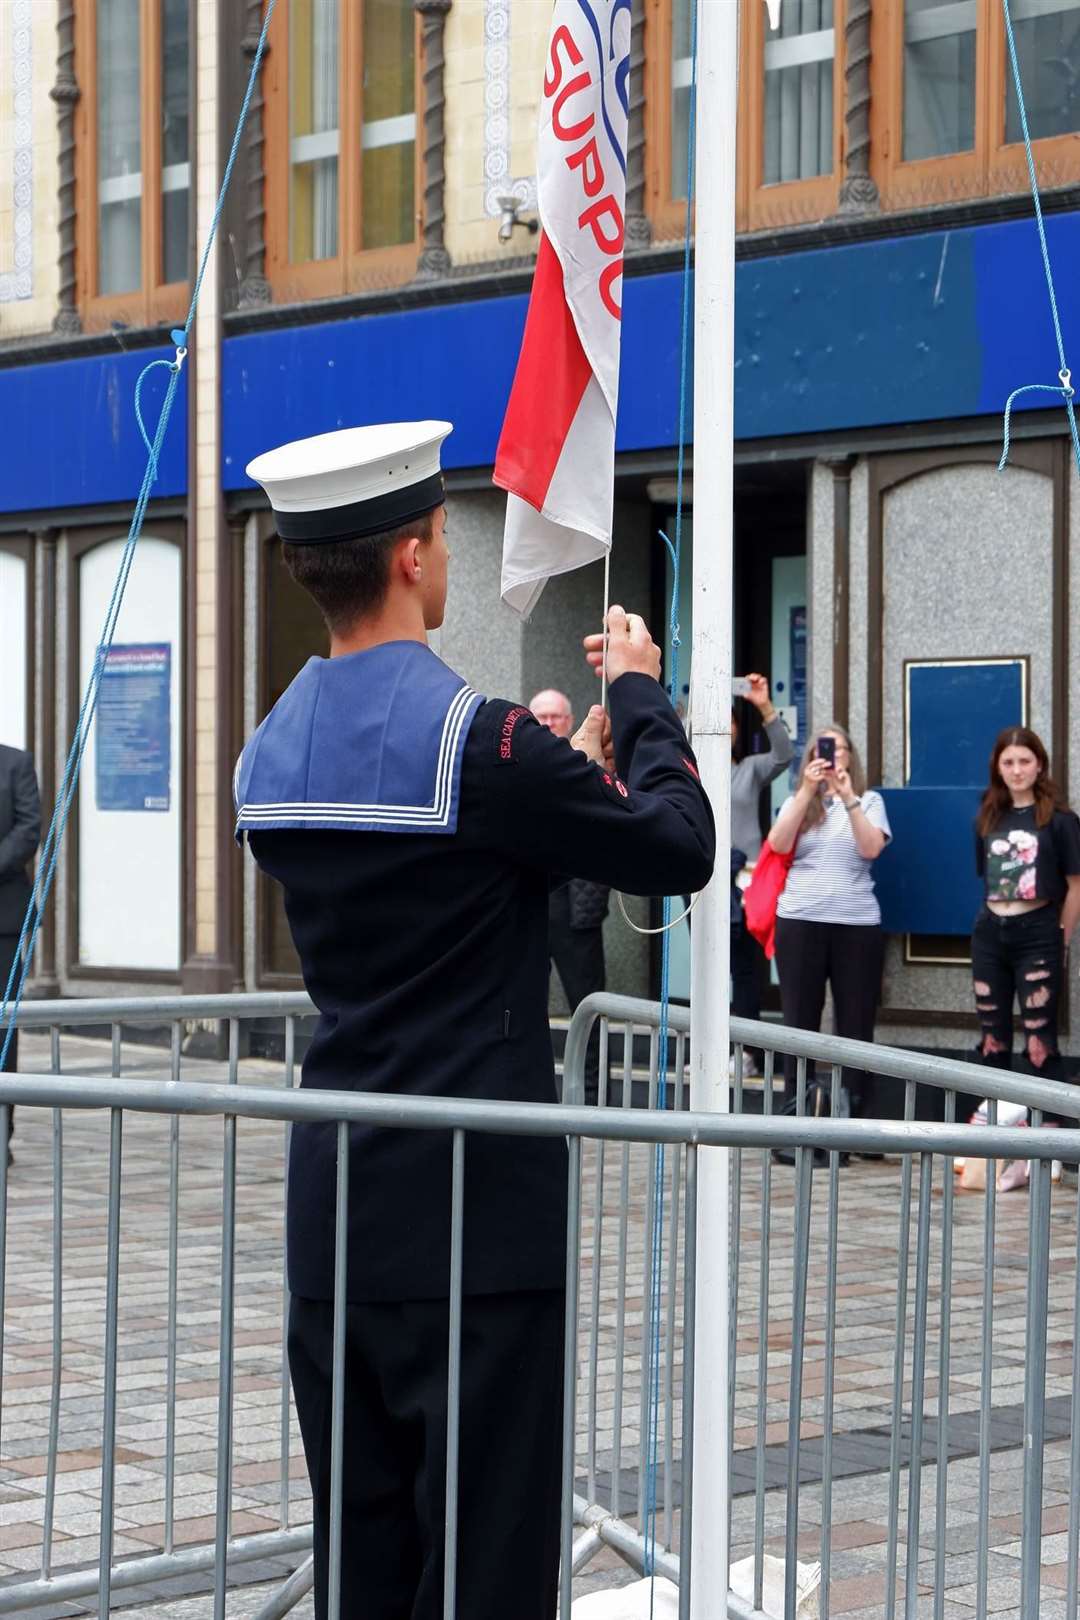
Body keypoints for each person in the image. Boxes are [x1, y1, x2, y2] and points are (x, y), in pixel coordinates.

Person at [235, 420, 715, 1620]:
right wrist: (645, 695)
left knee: (368, 1567)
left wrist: (564, 787)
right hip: (476, 1223)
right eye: (444, 538)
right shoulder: (489, 742)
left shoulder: (268, 753)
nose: (449, 557)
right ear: (409, 558)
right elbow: (679, 846)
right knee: (489, 1572)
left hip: (338, 1214)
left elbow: (429, 893)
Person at [767, 724, 891, 1138]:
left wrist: (848, 796)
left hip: (856, 924)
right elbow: (779, 844)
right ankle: (795, 1118)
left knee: (856, 1023)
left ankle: (857, 1123)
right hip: (800, 921)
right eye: (825, 749)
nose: (833, 755)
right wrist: (806, 791)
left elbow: (871, 849)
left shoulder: (870, 800)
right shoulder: (799, 800)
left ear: (850, 757)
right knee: (799, 1021)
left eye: (839, 749)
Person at [971, 726, 1080, 1189]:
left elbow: (1076, 885)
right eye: (1008, 762)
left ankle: (1048, 1143)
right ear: (999, 766)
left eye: (1024, 761)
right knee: (992, 1039)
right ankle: (996, 1143)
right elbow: (986, 876)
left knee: (1039, 1039)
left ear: (1040, 765)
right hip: (991, 931)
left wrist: (1062, 937)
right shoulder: (988, 814)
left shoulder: (1058, 818)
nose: (1016, 770)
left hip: (1040, 930)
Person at [529, 688, 610, 1103]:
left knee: (588, 1003)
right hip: (529, 905)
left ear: (570, 718)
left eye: (554, 717)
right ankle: (533, 1090)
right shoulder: (522, 764)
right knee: (526, 1003)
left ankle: (593, 1095)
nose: (546, 724)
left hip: (578, 907)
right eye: (539, 717)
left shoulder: (585, 760)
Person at [730, 676, 792, 1074]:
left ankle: (746, 1052)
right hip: (703, 877)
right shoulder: (686, 769)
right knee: (710, 963)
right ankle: (709, 1048)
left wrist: (764, 707)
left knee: (747, 966)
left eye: (730, 721)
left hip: (747, 877)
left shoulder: (749, 769)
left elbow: (785, 755)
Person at [0, 743, 42, 1165]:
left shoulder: (15, 763)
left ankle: (0, 1133)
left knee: (1, 1029)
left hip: (3, 923)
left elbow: (29, 829)